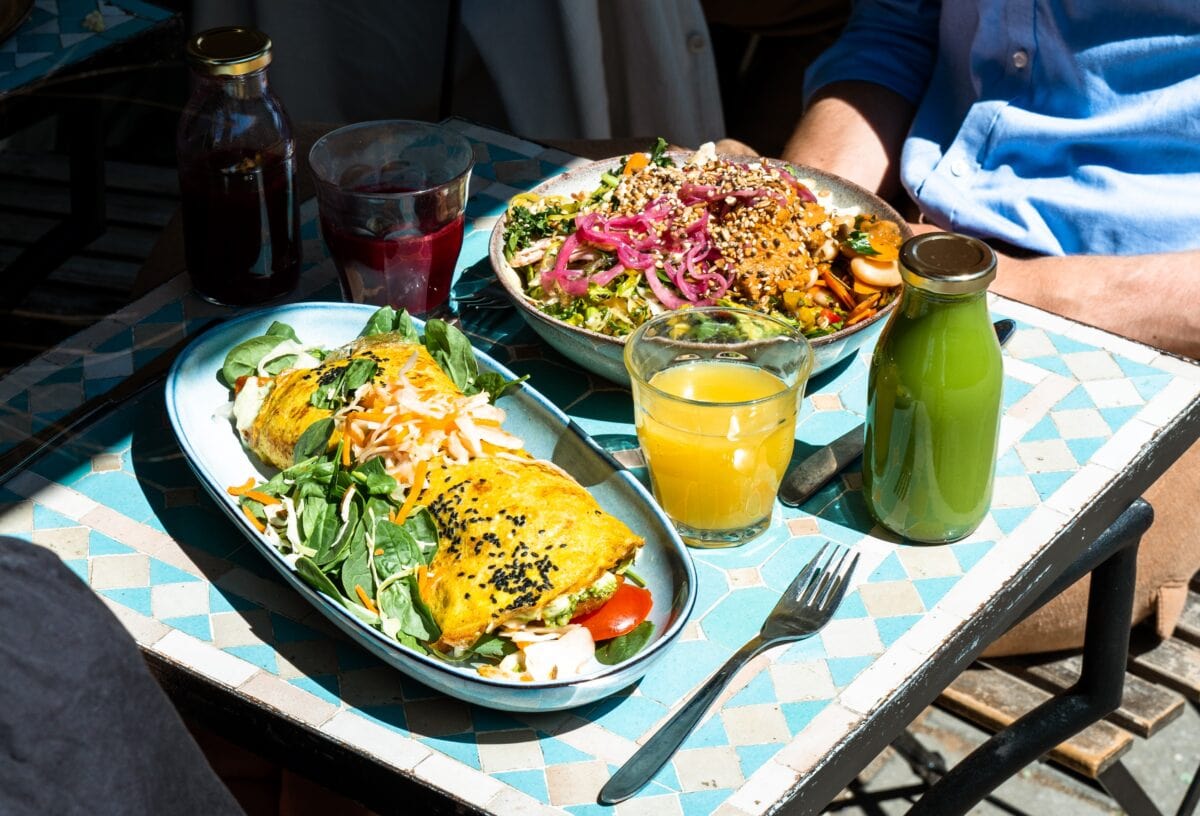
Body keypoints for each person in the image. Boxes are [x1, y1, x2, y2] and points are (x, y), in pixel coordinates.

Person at [779, 0, 1200, 654]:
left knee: (834, 602)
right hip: (908, 262)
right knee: (682, 479)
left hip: (1141, 345)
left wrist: (993, 281)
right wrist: (804, 218)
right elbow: (895, 31)